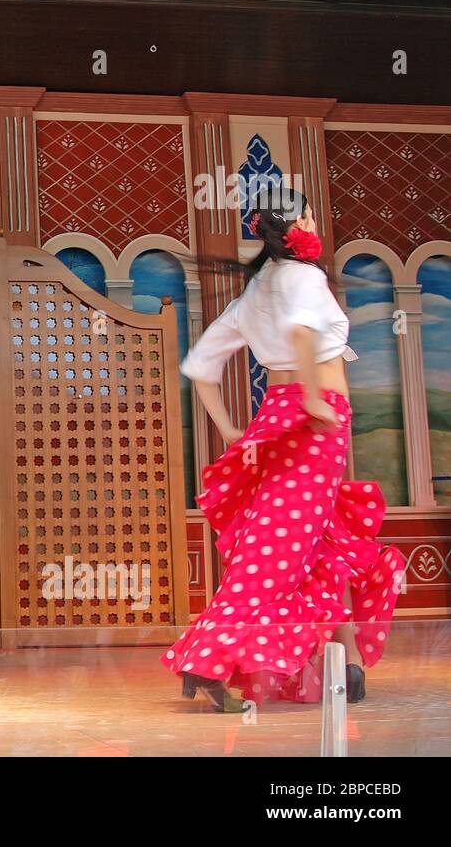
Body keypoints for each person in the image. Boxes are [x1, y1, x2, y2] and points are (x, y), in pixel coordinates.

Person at [163, 186, 406, 711]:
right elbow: (299, 330)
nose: (318, 224)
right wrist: (316, 399)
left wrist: (231, 431)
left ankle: (348, 661)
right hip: (315, 419)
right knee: (279, 550)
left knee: (312, 537)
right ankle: (208, 657)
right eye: (312, 217)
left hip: (276, 416)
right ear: (297, 228)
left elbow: (201, 366)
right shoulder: (302, 276)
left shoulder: (256, 290)